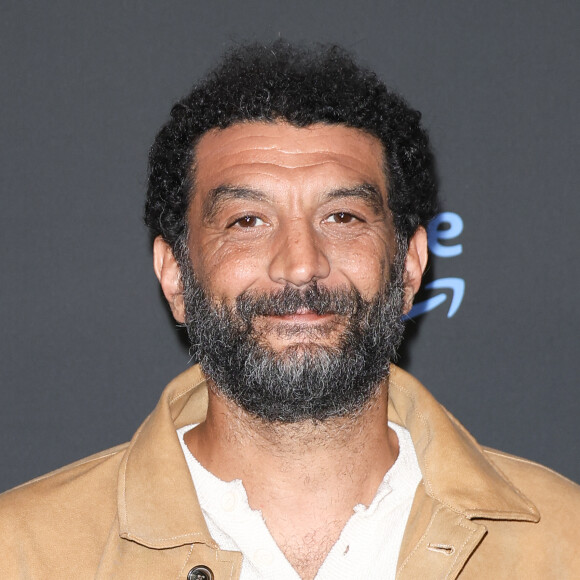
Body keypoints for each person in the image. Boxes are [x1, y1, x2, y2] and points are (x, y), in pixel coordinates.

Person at [0, 41, 578, 580]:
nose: (300, 264)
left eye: (343, 217)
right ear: (175, 273)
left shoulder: (562, 541)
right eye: (247, 222)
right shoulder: (24, 551)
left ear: (409, 267)